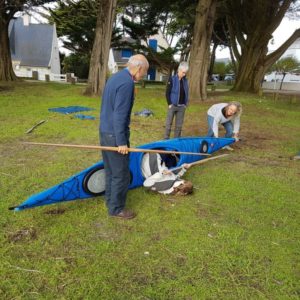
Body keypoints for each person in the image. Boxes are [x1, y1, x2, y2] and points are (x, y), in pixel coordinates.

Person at [100, 54, 149, 219]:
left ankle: (110, 202)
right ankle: (116, 208)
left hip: (105, 132)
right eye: (144, 72)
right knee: (121, 174)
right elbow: (119, 115)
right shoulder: (127, 83)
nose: (143, 76)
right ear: (139, 68)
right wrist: (121, 142)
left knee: (110, 171)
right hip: (115, 136)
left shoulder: (115, 77)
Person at [164, 61, 189, 139]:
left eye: (185, 73)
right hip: (173, 105)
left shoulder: (185, 81)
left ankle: (176, 141)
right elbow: (167, 93)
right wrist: (170, 104)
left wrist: (185, 104)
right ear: (179, 70)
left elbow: (186, 92)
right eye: (183, 72)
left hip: (182, 107)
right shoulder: (172, 79)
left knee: (179, 126)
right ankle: (166, 140)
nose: (184, 74)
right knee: (168, 124)